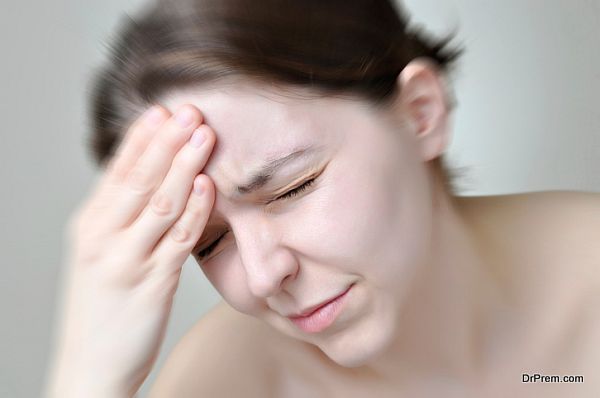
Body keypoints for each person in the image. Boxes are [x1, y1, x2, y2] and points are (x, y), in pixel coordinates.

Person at [45, 0, 600, 397]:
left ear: (420, 113)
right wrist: (89, 383)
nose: (264, 277)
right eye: (209, 242)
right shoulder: (224, 384)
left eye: (292, 187)